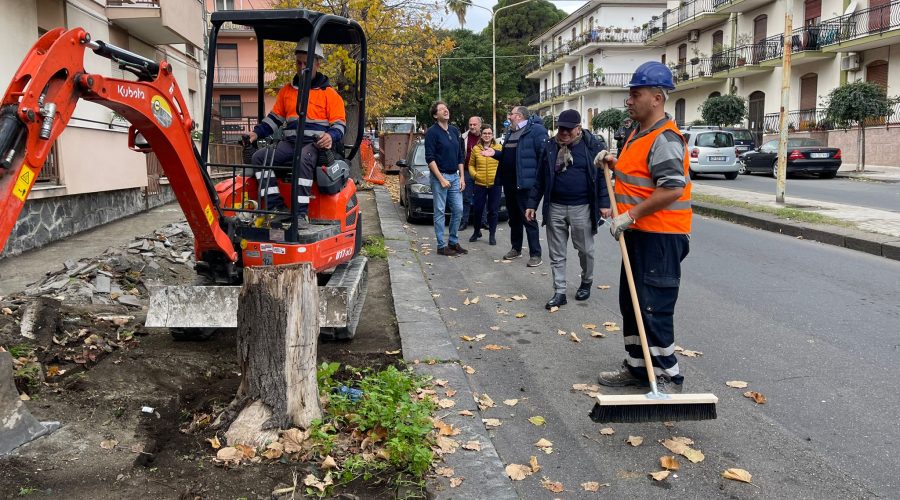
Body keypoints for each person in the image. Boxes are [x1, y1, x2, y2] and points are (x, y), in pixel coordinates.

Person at [594, 61, 692, 393]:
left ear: (657, 98)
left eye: (636, 94)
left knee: (653, 306)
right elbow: (640, 179)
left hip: (661, 236)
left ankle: (667, 378)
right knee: (631, 303)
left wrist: (629, 216)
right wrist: (613, 162)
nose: (629, 100)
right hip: (639, 234)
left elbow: (672, 188)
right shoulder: (638, 133)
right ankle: (638, 369)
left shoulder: (665, 138)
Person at [247, 37, 346, 229]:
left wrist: (330, 137)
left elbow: (339, 126)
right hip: (290, 143)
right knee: (259, 158)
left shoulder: (329, 94)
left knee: (303, 158)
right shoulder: (287, 91)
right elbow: (274, 119)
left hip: (315, 146)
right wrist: (256, 133)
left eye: (306, 63)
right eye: (298, 63)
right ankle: (277, 207)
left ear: (317, 62)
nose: (302, 67)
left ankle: (300, 215)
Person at [526, 110, 610, 309]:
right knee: (556, 253)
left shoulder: (592, 147)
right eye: (561, 128)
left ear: (578, 129)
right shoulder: (549, 147)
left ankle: (586, 280)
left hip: (582, 207)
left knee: (586, 250)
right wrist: (531, 203)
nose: (563, 132)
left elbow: (601, 178)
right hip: (555, 206)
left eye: (568, 129)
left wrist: (605, 204)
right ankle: (560, 291)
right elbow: (540, 178)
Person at [481, 106, 548, 267]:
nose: (508, 116)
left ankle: (535, 254)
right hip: (509, 184)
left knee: (528, 218)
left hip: (525, 185)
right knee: (514, 219)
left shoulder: (536, 130)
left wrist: (538, 180)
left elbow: (544, 156)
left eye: (510, 114)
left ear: (518, 116)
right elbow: (509, 156)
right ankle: (516, 248)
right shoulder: (511, 132)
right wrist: (495, 154)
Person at [424, 101, 467, 256]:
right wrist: (441, 179)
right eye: (441, 109)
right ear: (436, 115)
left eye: (446, 108)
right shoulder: (431, 132)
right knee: (440, 211)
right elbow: (430, 158)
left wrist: (462, 177)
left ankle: (453, 242)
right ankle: (441, 246)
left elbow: (460, 155)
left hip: (455, 177)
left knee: (458, 209)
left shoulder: (455, 131)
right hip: (439, 177)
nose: (445, 110)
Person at [468, 125, 502, 245]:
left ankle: (492, 235)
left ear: (492, 135)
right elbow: (471, 165)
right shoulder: (476, 149)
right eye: (485, 133)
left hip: (495, 184)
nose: (487, 135)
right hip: (480, 183)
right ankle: (476, 232)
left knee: (493, 211)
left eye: (489, 133)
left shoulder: (499, 148)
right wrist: (475, 175)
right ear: (481, 135)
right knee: (478, 209)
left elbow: (504, 163)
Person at [460, 116, 483, 231]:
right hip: (467, 171)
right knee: (466, 198)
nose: (472, 127)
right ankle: (464, 221)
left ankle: (483, 221)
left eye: (474, 124)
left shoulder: (486, 136)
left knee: (482, 197)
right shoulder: (464, 137)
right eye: (470, 125)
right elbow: (460, 155)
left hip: (482, 171)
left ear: (480, 125)